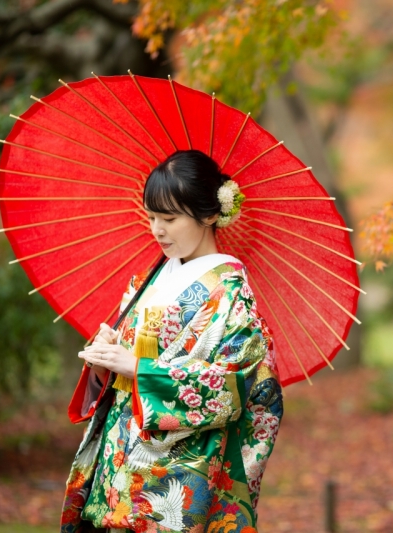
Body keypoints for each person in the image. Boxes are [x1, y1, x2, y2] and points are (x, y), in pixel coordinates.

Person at [60, 149, 283, 533]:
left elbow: (231, 391)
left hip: (173, 480)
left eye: (170, 217)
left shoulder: (231, 296)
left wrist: (135, 367)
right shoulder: (147, 280)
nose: (157, 230)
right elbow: (119, 379)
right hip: (117, 466)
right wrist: (104, 362)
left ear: (210, 214)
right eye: (150, 217)